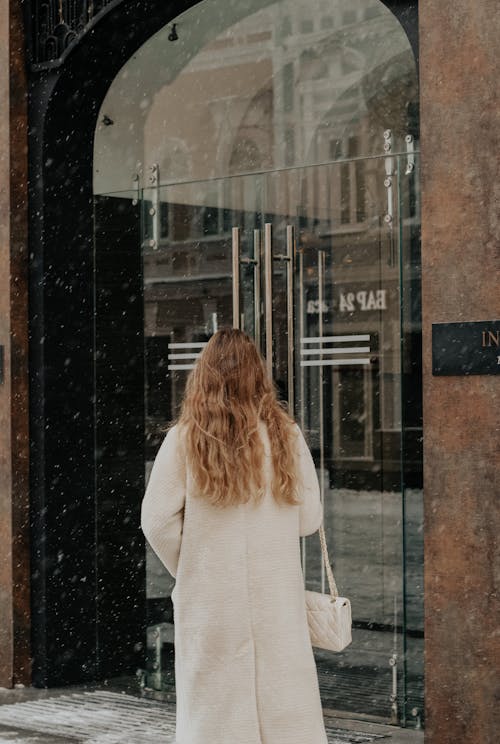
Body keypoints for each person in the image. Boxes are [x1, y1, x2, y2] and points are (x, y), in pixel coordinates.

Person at [141, 327, 328, 744]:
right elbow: (309, 519)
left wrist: (192, 566)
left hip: (212, 602)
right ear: (259, 376)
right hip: (275, 598)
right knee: (284, 715)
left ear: (203, 375)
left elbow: (155, 520)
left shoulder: (187, 438)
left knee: (215, 717)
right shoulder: (286, 436)